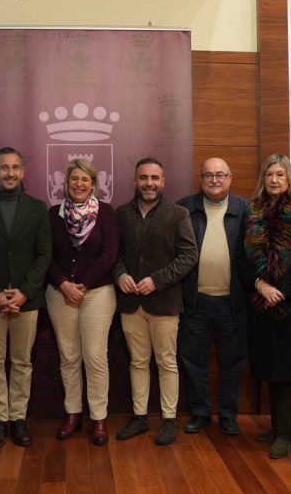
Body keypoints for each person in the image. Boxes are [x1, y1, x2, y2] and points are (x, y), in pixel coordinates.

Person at [0, 147, 52, 449]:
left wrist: (25, 291)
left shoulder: (37, 208)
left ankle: (18, 418)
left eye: (15, 167)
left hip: (26, 300)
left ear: (22, 172)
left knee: (22, 362)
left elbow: (44, 254)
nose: (10, 173)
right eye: (4, 168)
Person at [113, 157, 198, 445]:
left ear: (163, 182)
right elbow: (114, 254)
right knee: (137, 362)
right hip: (130, 303)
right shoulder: (121, 214)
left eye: (154, 178)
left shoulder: (178, 214)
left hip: (164, 301)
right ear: (135, 181)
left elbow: (189, 256)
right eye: (143, 178)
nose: (149, 183)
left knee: (166, 362)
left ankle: (168, 419)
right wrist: (120, 274)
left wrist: (156, 280)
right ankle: (139, 417)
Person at [242, 154, 291, 459]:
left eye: (280, 174)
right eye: (269, 174)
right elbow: (241, 257)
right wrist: (260, 285)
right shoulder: (252, 213)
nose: (274, 180)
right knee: (270, 365)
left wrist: (282, 291)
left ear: (289, 179)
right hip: (261, 303)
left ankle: (288, 434)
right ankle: (277, 427)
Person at [46, 159, 119, 446]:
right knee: (68, 356)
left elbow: (109, 253)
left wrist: (83, 284)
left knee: (95, 356)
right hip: (59, 292)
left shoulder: (106, 212)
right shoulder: (53, 214)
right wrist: (64, 284)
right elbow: (45, 254)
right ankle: (73, 414)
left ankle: (98, 418)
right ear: (66, 183)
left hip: (97, 293)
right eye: (74, 179)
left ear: (93, 184)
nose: (79, 184)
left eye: (85, 179)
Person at [176, 157, 249, 437]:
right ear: (201, 179)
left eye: (220, 174)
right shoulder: (184, 208)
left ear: (230, 178)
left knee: (234, 362)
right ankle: (200, 412)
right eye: (208, 175)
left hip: (234, 302)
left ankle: (229, 415)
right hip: (196, 301)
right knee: (194, 361)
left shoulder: (245, 210)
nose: (214, 180)